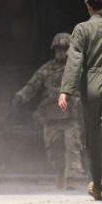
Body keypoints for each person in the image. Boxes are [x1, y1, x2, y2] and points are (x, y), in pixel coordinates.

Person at [13, 32, 85, 189]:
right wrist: (21, 96)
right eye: (58, 48)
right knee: (54, 151)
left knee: (73, 147)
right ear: (54, 50)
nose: (62, 51)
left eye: (65, 48)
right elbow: (32, 85)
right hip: (51, 116)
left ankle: (72, 179)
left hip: (71, 115)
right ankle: (60, 173)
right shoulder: (45, 69)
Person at [60, 0, 102, 200]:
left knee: (94, 137)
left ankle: (99, 185)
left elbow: (74, 61)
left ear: (88, 6)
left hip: (94, 86)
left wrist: (66, 90)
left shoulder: (82, 29)